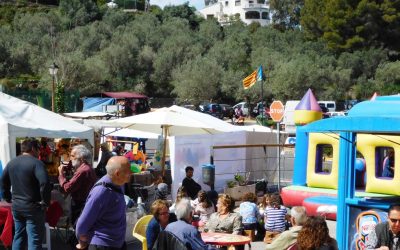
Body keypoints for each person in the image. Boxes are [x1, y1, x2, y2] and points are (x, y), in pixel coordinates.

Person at [1, 138, 52, 249]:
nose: (39, 152)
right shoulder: (37, 163)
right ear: (33, 149)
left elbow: (3, 181)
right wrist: (45, 202)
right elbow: (45, 183)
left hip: (17, 206)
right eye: (38, 149)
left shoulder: (12, 162)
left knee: (19, 236)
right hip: (33, 207)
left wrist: (7, 198)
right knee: (34, 239)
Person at [75, 156, 132, 250]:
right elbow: (82, 223)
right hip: (102, 245)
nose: (131, 173)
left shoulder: (119, 184)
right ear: (117, 173)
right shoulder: (101, 192)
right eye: (128, 170)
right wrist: (81, 242)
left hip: (118, 243)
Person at [58, 144, 97, 225]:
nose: (71, 159)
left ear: (81, 158)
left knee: (77, 226)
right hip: (84, 202)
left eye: (72, 156)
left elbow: (67, 188)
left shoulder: (82, 171)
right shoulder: (87, 168)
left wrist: (61, 174)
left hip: (80, 204)